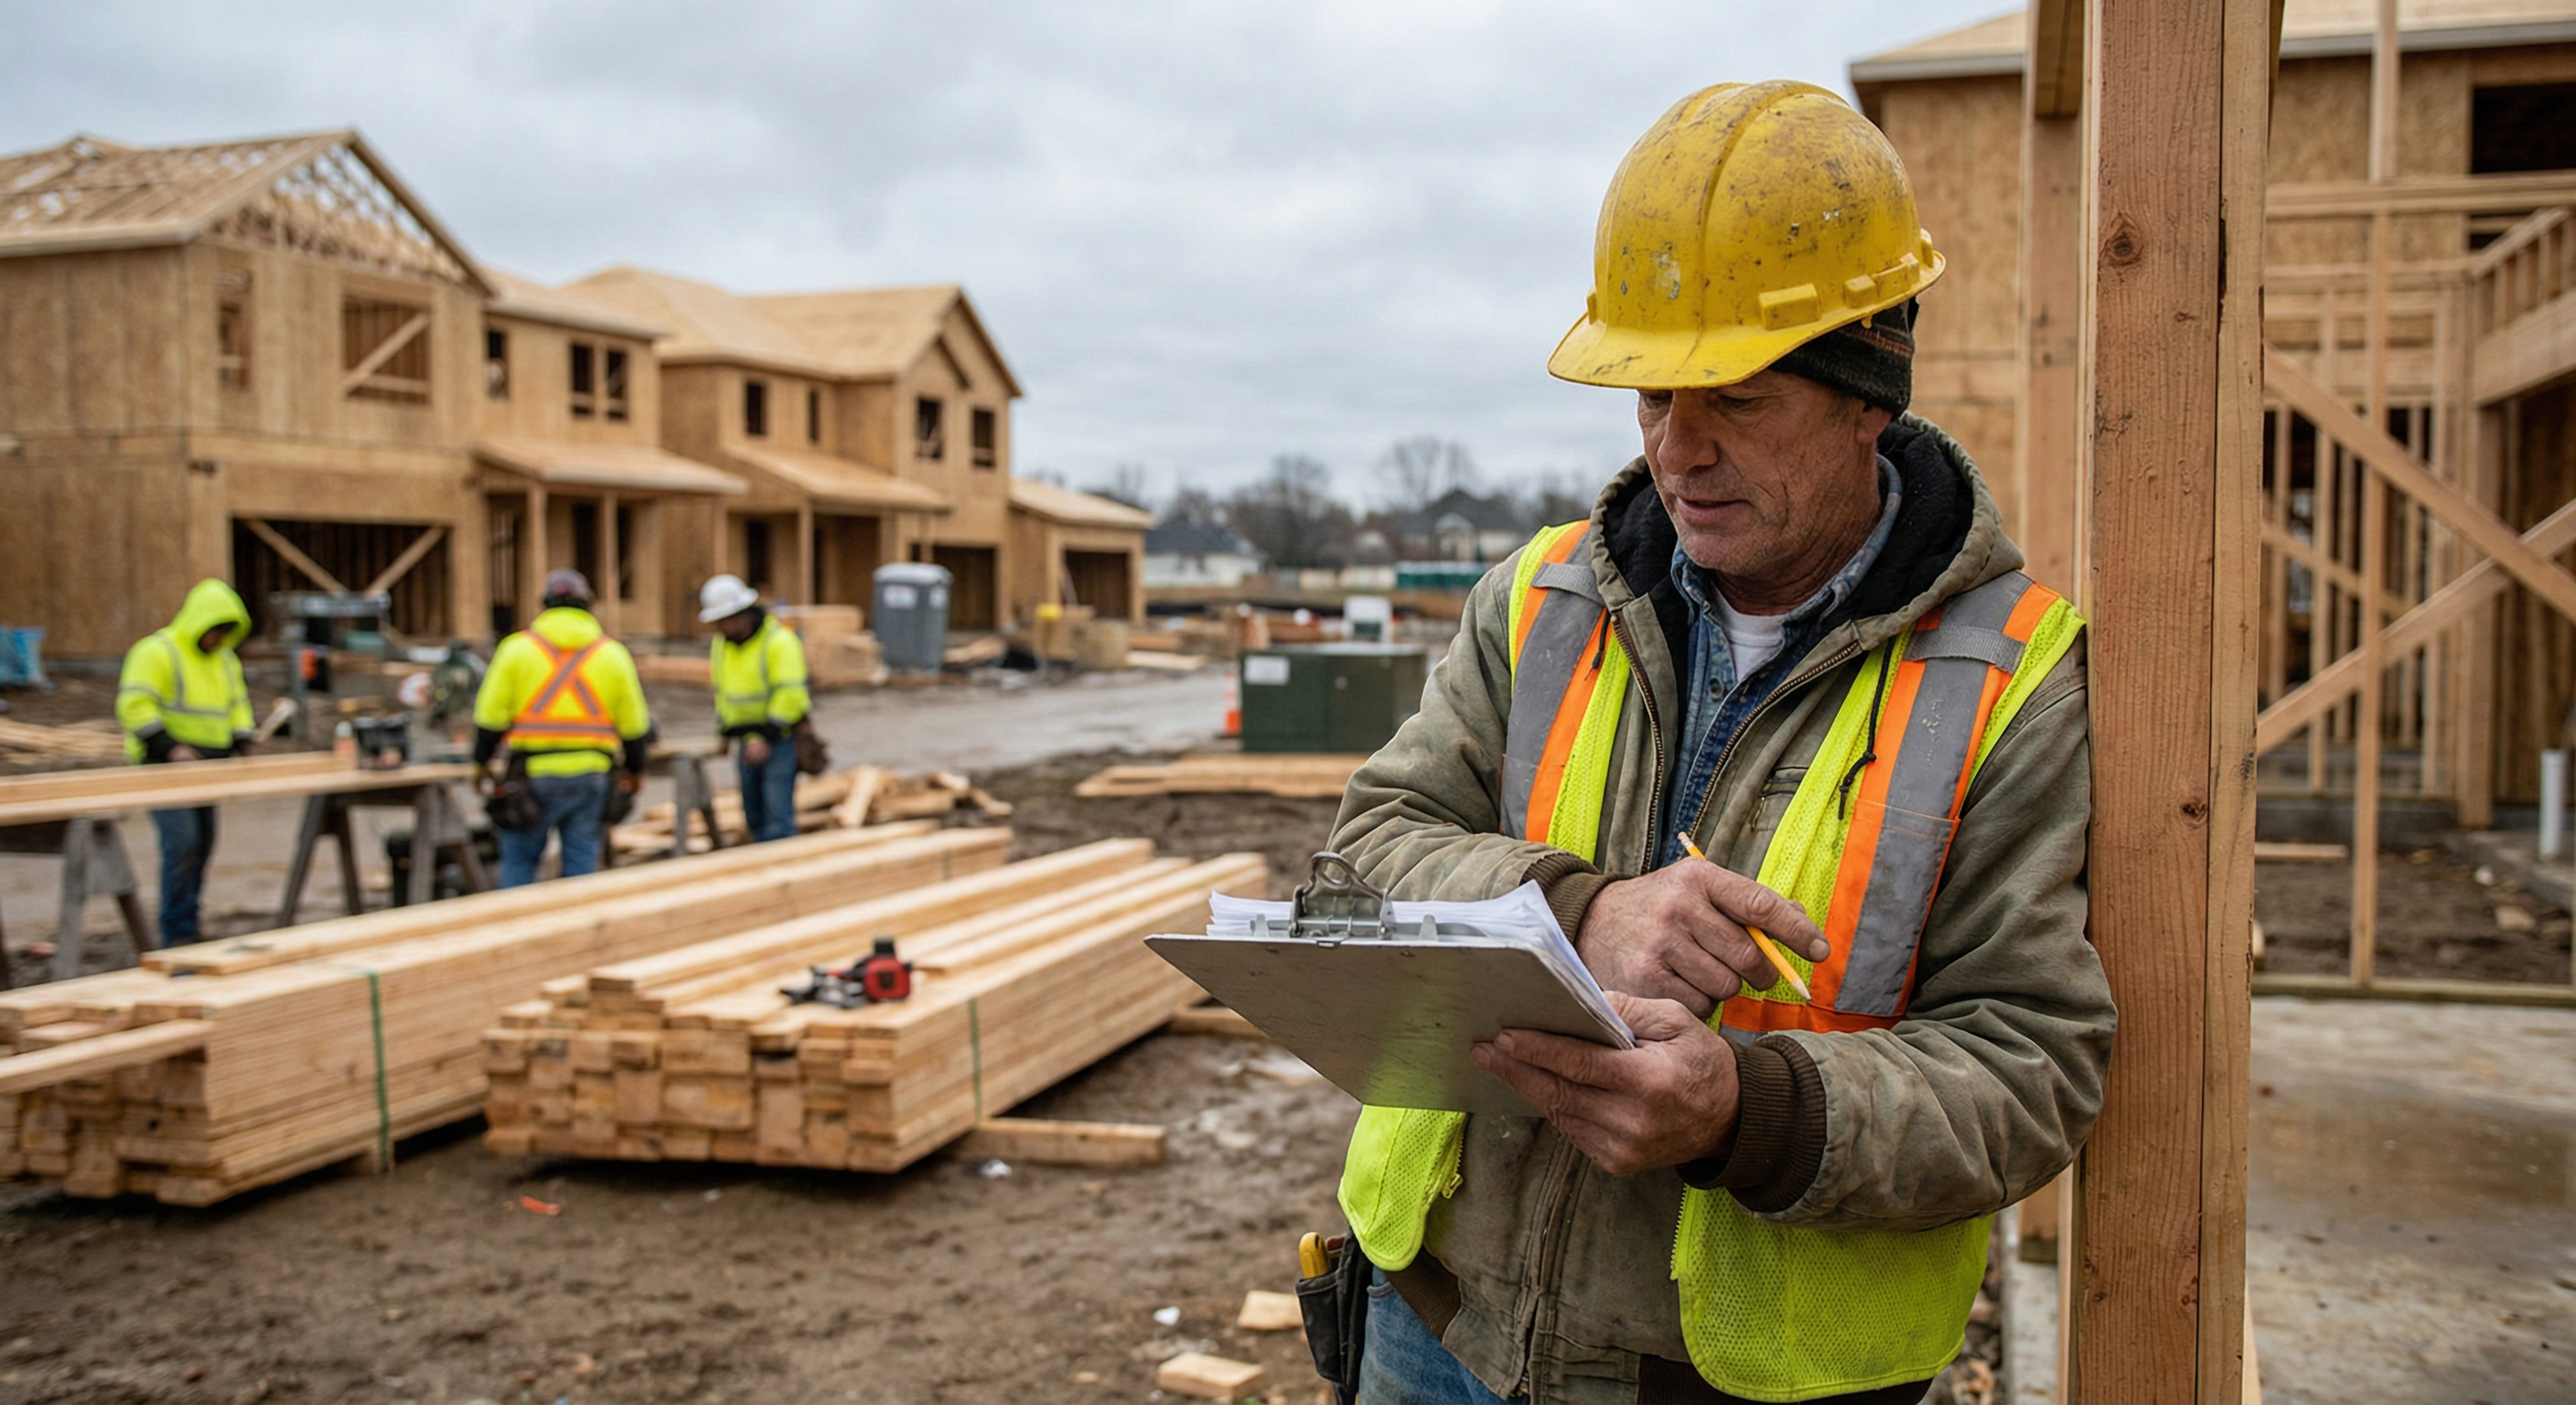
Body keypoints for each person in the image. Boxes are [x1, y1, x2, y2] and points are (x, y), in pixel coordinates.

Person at [1326, 82, 2115, 1405]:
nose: (1677, 451)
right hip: (1436, 1322)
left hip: (1742, 1379)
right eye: (1649, 397)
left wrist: (1746, 1111)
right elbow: (1362, 863)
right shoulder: (1543, 599)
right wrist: (1576, 915)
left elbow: (2032, 1064)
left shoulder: (2012, 680)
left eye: (1736, 399)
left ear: (1871, 394)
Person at [471, 570, 650, 886]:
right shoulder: (612, 654)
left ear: (545, 606)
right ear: (588, 606)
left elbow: (490, 721)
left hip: (530, 776)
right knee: (580, 867)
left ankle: (514, 930)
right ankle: (579, 930)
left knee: (520, 862)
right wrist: (635, 773)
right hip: (591, 774)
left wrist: (481, 766)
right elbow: (635, 728)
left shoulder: (516, 649)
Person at [115, 579, 255, 945]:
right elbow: (134, 706)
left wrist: (242, 736)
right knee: (183, 844)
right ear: (200, 624)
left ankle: (188, 924)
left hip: (207, 768)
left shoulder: (224, 659)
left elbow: (237, 703)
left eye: (226, 633)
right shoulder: (157, 652)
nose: (219, 640)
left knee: (203, 845)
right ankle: (175, 933)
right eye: (215, 632)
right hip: (166, 766)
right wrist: (169, 747)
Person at [698, 574, 810, 843]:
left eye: (725, 620)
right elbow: (723, 689)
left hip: (778, 739)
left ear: (743, 614)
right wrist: (726, 729)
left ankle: (785, 873)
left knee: (777, 817)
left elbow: (791, 695)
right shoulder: (722, 646)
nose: (721, 627)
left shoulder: (779, 642)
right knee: (754, 816)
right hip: (746, 740)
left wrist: (766, 737)